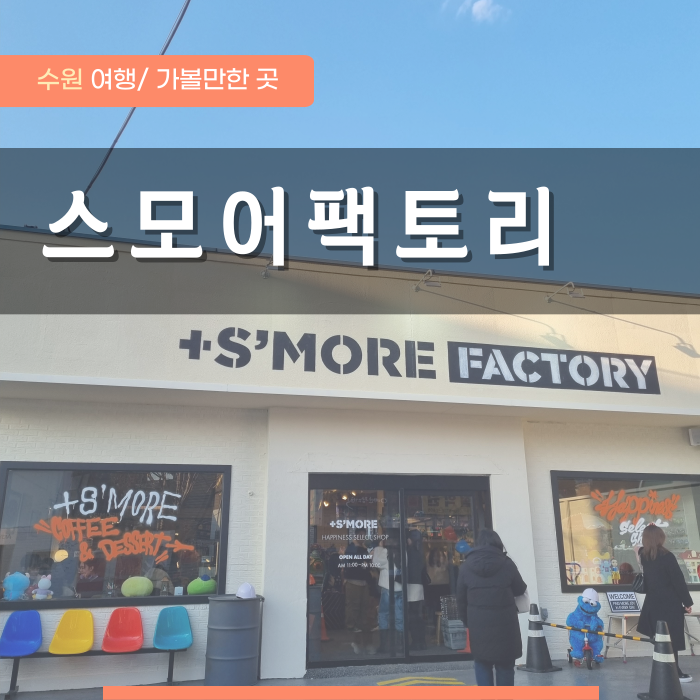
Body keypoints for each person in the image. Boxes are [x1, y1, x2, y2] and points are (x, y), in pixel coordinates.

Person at [457, 529, 527, 687]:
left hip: (478, 625)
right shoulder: (507, 564)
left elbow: (460, 599)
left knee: (482, 663)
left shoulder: (466, 567)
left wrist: (467, 622)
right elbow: (520, 589)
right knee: (505, 666)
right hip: (505, 625)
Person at [637, 523, 694, 683]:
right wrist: (687, 602)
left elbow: (637, 549)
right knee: (672, 639)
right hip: (669, 603)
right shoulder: (667, 556)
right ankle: (674, 672)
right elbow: (678, 581)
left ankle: (666, 670)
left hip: (652, 604)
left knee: (661, 638)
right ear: (660, 537)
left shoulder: (644, 557)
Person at [343, 530, 376, 655]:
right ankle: (356, 642)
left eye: (364, 535)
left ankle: (364, 643)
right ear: (356, 536)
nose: (363, 537)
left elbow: (367, 565)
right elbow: (354, 564)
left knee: (364, 613)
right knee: (354, 612)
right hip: (354, 582)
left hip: (363, 582)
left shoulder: (362, 549)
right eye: (361, 535)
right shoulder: (352, 548)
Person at [406, 529, 427, 650]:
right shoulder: (419, 551)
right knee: (417, 614)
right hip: (418, 585)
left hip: (411, 586)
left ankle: (416, 641)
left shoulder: (410, 552)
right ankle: (421, 641)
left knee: (413, 615)